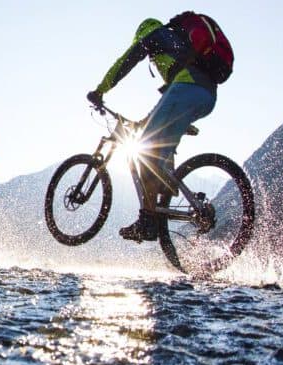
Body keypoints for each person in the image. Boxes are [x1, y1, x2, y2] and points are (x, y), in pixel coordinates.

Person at [86, 16, 222, 242]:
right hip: (206, 96)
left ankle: (147, 221)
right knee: (158, 143)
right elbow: (167, 102)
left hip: (187, 90)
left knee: (146, 151)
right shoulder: (180, 53)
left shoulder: (156, 36)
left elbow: (124, 62)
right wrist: (143, 122)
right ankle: (166, 189)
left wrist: (100, 91)